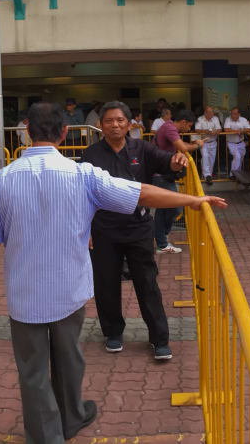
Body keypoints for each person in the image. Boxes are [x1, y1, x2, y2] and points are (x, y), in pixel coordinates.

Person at [0, 102, 227, 443]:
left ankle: (46, 436)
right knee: (69, 357)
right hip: (69, 289)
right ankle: (72, 417)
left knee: (33, 370)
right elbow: (141, 193)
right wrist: (192, 200)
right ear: (64, 132)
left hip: (24, 293)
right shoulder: (83, 174)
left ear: (27, 132)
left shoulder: (2, 179)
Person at [82, 101, 189, 361]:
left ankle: (159, 339)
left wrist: (177, 162)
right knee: (106, 284)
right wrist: (85, 230)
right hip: (104, 229)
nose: (115, 125)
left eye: (120, 120)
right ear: (101, 125)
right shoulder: (91, 155)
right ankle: (113, 333)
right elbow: (81, 195)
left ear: (129, 124)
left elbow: (167, 163)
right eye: (109, 121)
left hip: (138, 228)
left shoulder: (142, 148)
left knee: (147, 283)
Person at [153, 110, 204, 254]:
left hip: (162, 173)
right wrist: (198, 145)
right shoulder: (169, 128)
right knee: (175, 206)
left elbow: (180, 145)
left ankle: (161, 241)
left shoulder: (169, 127)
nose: (189, 129)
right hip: (160, 174)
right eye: (189, 126)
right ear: (183, 122)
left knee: (164, 208)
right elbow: (182, 147)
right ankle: (162, 240)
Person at [195, 106, 222, 186]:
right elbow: (197, 130)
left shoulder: (215, 119)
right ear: (205, 113)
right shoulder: (200, 119)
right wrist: (206, 131)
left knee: (211, 159)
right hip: (204, 142)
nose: (211, 114)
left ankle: (208, 175)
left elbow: (220, 129)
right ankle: (207, 175)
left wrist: (215, 131)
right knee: (205, 156)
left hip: (213, 142)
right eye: (209, 112)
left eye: (212, 112)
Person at [224, 107, 250, 174]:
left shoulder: (243, 120)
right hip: (231, 143)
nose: (233, 115)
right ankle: (233, 174)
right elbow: (226, 129)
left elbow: (249, 129)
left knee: (240, 158)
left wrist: (241, 131)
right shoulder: (228, 119)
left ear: (239, 114)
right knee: (237, 157)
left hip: (241, 143)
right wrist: (237, 131)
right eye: (232, 113)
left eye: (235, 114)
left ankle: (238, 174)